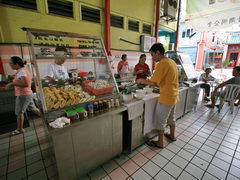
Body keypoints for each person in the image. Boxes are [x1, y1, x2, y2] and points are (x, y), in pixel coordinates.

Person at [136, 43, 179, 148]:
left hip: (166, 97)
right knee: (171, 117)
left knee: (160, 120)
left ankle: (160, 142)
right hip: (173, 94)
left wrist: (141, 80)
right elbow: (164, 81)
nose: (152, 57)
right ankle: (172, 136)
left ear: (158, 53)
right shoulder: (171, 61)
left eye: (152, 55)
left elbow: (154, 82)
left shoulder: (162, 63)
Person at [6, 56, 41, 135]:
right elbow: (22, 79)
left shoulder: (21, 71)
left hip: (23, 95)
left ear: (17, 64)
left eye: (11, 63)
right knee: (33, 109)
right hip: (27, 94)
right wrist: (14, 77)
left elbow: (25, 83)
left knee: (19, 112)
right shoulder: (21, 70)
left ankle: (19, 129)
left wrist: (12, 83)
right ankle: (46, 117)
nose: (10, 65)